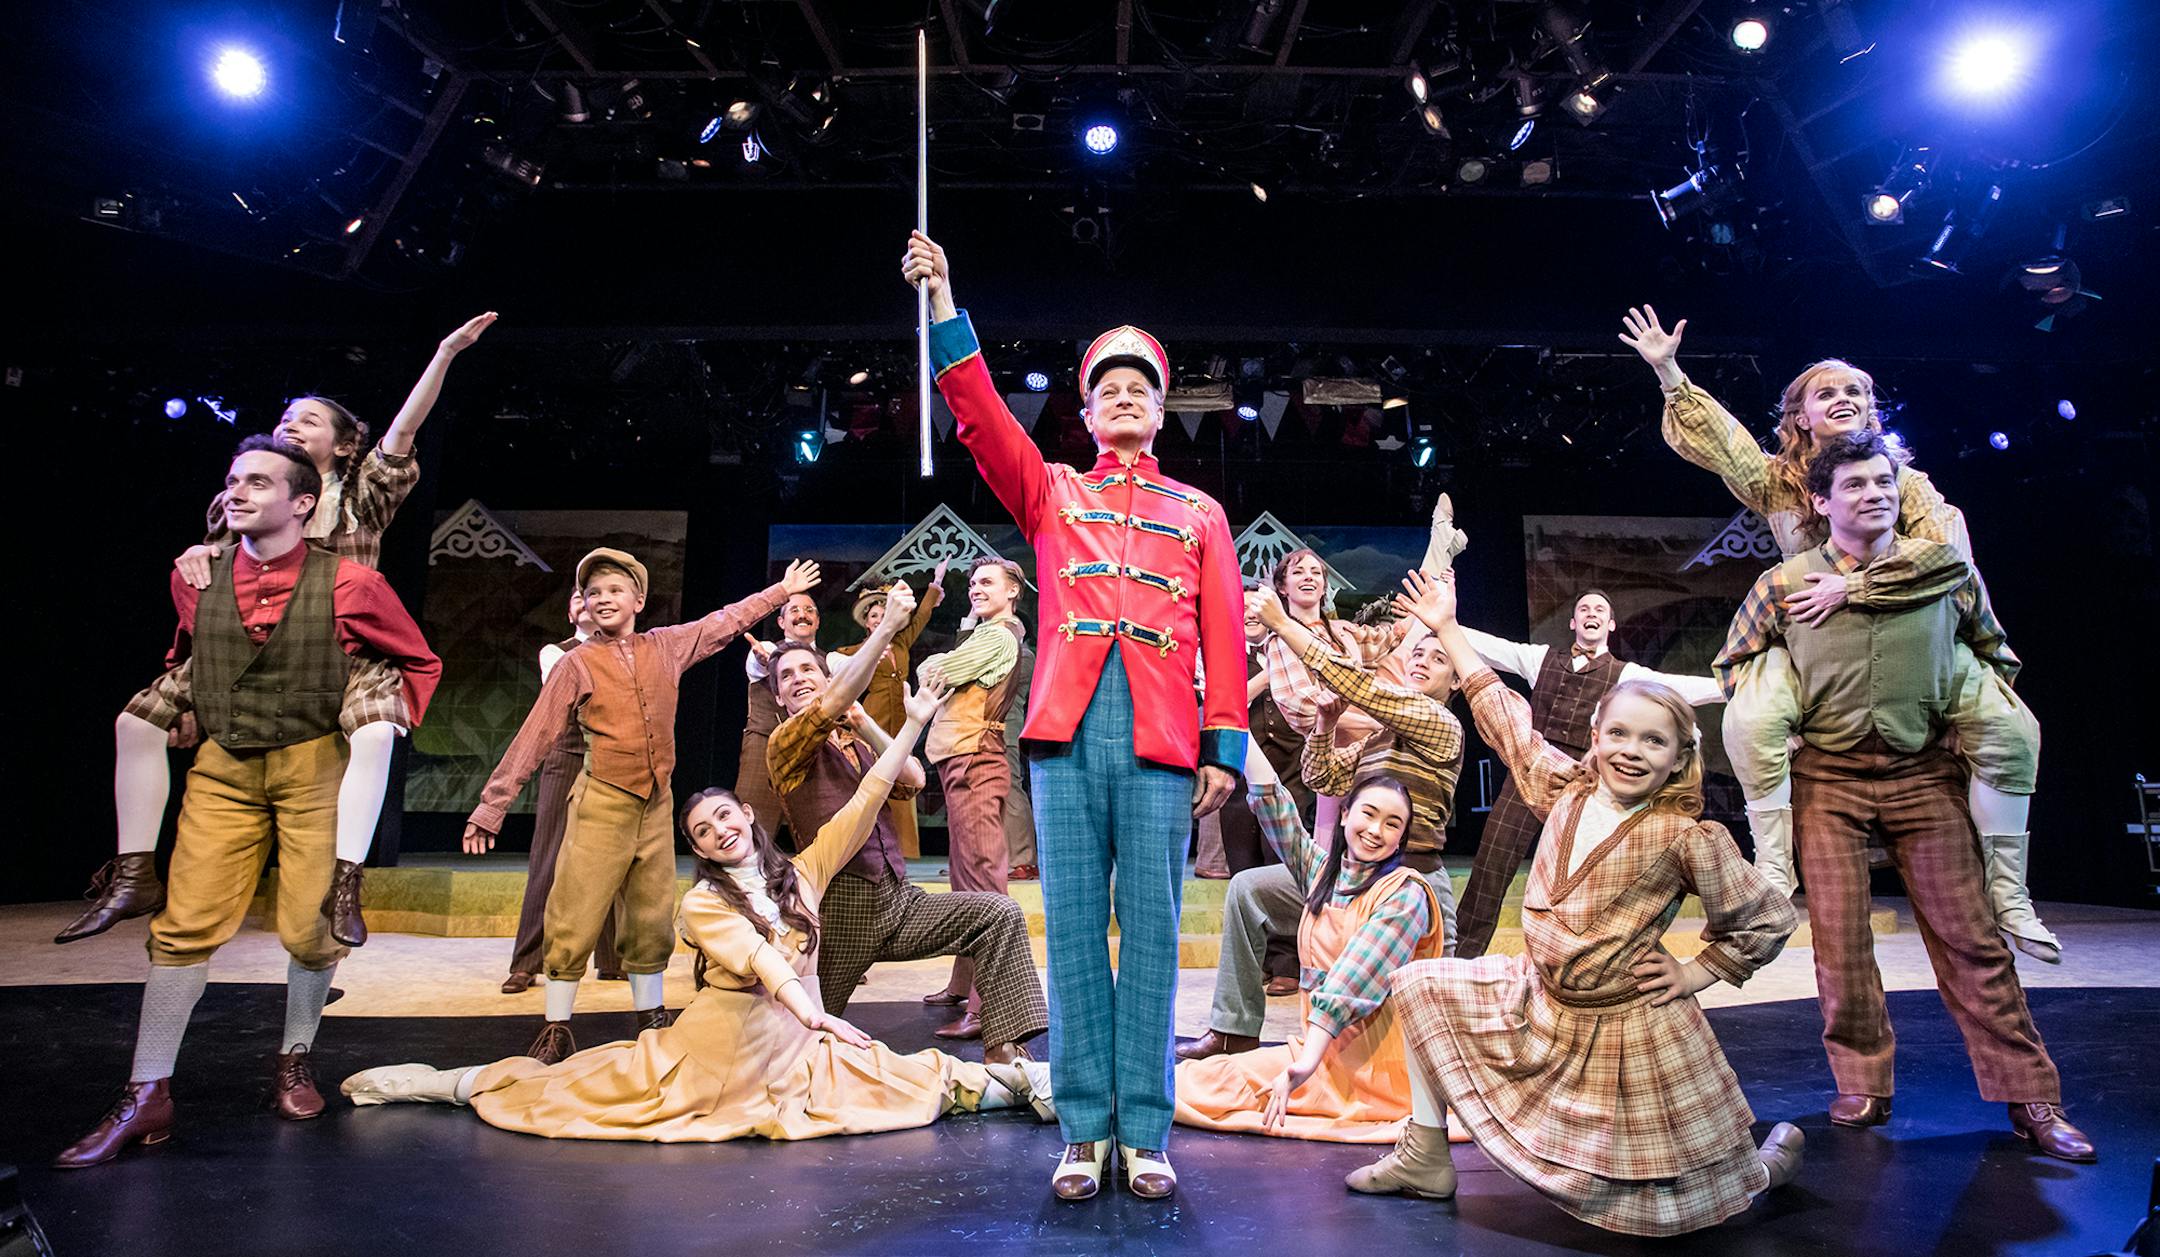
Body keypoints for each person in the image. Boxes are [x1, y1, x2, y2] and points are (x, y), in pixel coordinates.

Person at [906, 230, 1248, 1202]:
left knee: (1149, 929)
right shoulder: (1052, 494)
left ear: (1161, 405)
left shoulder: (1200, 514)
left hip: (1161, 738)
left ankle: (1146, 1131)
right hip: (1064, 737)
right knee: (1070, 934)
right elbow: (975, 416)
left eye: (1142, 384)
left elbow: (1226, 633)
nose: (1127, 396)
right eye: (1110, 387)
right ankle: (1083, 1129)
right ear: (1087, 411)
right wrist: (946, 303)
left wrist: (1224, 741)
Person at [341, 679, 1059, 1140]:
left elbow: (873, 793)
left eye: (723, 817)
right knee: (578, 1094)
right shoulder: (704, 905)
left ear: (747, 816)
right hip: (721, 1049)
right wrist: (816, 1013)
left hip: (794, 1045)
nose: (718, 831)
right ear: (700, 848)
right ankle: (448, 1084)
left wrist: (911, 724)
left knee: (904, 1081)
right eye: (702, 832)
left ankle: (1031, 1080)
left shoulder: (803, 872)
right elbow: (759, 959)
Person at [1347, 567, 1804, 1237]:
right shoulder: (1562, 785)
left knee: (1675, 1209)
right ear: (1595, 735)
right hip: (1541, 1002)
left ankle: (1769, 1166)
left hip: (1625, 1029)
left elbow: (1765, 917)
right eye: (1619, 733)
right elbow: (1499, 710)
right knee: (1419, 981)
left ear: (1680, 756)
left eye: (1654, 741)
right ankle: (1424, 1152)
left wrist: (1696, 971)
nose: (1631, 750)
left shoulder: (1685, 836)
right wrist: (1445, 627)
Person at [54, 437, 441, 1168]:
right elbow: (193, 654)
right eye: (233, 481)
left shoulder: (350, 583)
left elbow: (417, 657)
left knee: (309, 925)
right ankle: (147, 1091)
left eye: (258, 483)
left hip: (313, 762)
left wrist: (380, 712)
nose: (238, 491)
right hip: (226, 766)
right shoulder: (198, 576)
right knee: (183, 925)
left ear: (302, 503)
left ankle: (295, 1055)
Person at [1623, 306, 2055, 962]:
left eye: (1857, 390)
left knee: (2013, 728)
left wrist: (1860, 587)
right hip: (1814, 646)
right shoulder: (1781, 483)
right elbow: (1727, 444)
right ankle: (1773, 869)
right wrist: (1668, 370)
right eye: (1828, 392)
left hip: (1912, 638)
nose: (1847, 398)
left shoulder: (1904, 483)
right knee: (1749, 717)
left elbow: (1948, 561)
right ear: (1800, 416)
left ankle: (2009, 887)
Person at [1716, 432, 2094, 1162]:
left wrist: (1971, 722)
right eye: (1854, 485)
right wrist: (1777, 720)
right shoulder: (1784, 582)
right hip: (1829, 773)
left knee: (1973, 938)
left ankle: (2032, 1096)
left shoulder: (1945, 571)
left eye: (1883, 481)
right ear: (1822, 503)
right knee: (1839, 939)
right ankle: (1861, 1079)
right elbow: (1735, 659)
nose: (1875, 493)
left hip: (1923, 770)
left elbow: (1995, 651)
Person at [65, 314, 495, 948]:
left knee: (377, 735)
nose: (291, 423)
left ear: (346, 445)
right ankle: (133, 874)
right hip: (247, 650)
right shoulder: (241, 495)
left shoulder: (362, 496)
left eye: (311, 419)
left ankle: (346, 881)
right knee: (135, 721)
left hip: (336, 648)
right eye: (287, 416)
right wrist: (195, 670)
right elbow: (210, 590)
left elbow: (405, 429)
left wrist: (444, 353)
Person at [462, 551, 815, 1064]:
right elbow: (535, 735)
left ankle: (650, 1017)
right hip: (602, 800)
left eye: (614, 590)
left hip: (655, 803)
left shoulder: (664, 646)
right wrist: (491, 808)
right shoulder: (576, 662)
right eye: (594, 592)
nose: (603, 600)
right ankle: (557, 1025)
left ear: (638, 600)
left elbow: (724, 622)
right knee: (575, 911)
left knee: (651, 916)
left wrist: (780, 592)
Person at [1179, 585, 1465, 1063]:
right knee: (1250, 890)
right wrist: (1324, 729)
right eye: (1416, 654)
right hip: (1349, 876)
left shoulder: (1439, 725)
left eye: (1437, 660)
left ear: (1455, 682)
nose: (1420, 662)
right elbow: (1321, 776)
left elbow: (1364, 688)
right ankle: (1233, 1030)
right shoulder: (1381, 737)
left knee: (1423, 1042)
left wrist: (1284, 625)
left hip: (1411, 881)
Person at [766, 578, 1047, 1063]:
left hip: (895, 899)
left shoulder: (852, 740)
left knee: (997, 914)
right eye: (786, 676)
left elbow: (912, 778)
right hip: (840, 911)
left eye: (806, 669)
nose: (798, 679)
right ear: (778, 699)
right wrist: (889, 627)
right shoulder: (785, 744)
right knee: (797, 1043)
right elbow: (825, 708)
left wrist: (867, 725)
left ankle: (1005, 1055)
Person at [1174, 736, 1445, 1143]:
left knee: (1199, 1089)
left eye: (1393, 824)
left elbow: (1350, 983)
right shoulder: (1326, 875)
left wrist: (1305, 1064)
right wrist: (1235, 727)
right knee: (1196, 1080)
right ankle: (1075, 1092)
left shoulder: (1405, 894)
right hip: (1319, 1056)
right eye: (1369, 814)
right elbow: (1277, 811)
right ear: (1344, 814)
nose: (1376, 831)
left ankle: (1080, 1095)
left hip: (1375, 1077)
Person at [1449, 587, 1725, 960]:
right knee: (1489, 872)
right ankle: (1462, 962)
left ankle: (1572, 965)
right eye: (1583, 608)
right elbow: (1491, 647)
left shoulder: (1625, 674)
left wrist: (1735, 686)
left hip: (1582, 788)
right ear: (1573, 621)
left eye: (1599, 609)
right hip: (1527, 774)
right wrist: (1440, 622)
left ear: (1609, 624)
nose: (1591, 613)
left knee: (1581, 879)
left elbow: (1679, 687)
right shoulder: (1542, 658)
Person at [914, 557, 1031, 1035]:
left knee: (983, 884)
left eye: (987, 583)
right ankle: (963, 985)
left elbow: (936, 672)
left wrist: (933, 663)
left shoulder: (1001, 636)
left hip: (977, 760)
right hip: (960, 758)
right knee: (965, 883)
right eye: (973, 583)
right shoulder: (983, 633)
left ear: (1013, 592)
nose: (976, 590)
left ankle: (989, 1007)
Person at [500, 589, 622, 994]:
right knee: (549, 857)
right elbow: (580, 692)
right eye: (577, 597)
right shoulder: (557, 652)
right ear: (571, 611)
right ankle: (526, 962)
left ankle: (611, 958)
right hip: (568, 755)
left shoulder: (623, 650)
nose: (585, 602)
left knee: (611, 857)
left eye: (593, 595)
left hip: (611, 758)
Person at [829, 562, 946, 857]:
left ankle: (906, 850)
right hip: (874, 718)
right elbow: (834, 660)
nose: (881, 620)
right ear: (867, 623)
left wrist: (936, 583)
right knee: (872, 777)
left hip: (903, 720)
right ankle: (865, 846)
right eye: (875, 616)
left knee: (904, 779)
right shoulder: (858, 650)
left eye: (885, 614)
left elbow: (922, 616)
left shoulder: (902, 641)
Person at [739, 588, 822, 852]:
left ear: (817, 621)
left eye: (809, 610)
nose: (802, 615)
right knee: (752, 826)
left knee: (821, 831)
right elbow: (758, 661)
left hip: (813, 750)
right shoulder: (768, 649)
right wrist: (767, 661)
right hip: (765, 745)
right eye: (794, 610)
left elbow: (853, 668)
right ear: (781, 622)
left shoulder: (829, 660)